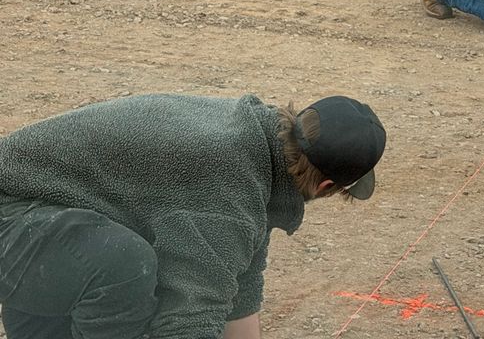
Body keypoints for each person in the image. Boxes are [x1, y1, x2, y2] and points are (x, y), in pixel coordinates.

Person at [0, 91, 386, 339]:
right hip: (16, 216)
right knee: (124, 266)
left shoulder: (255, 149)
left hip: (45, 234)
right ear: (325, 187)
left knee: (106, 257)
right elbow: (188, 319)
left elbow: (239, 285)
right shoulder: (229, 183)